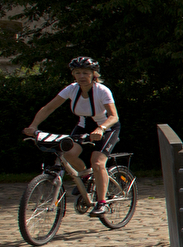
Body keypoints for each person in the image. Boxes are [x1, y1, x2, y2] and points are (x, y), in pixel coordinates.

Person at [23, 56, 120, 215]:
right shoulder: (71, 89)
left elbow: (114, 116)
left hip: (107, 127)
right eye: (77, 73)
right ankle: (85, 177)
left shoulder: (102, 91)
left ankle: (102, 203)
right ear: (73, 74)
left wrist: (101, 128)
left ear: (93, 74)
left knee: (97, 162)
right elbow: (48, 108)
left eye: (85, 73)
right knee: (67, 154)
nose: (81, 76)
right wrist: (33, 126)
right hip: (83, 126)